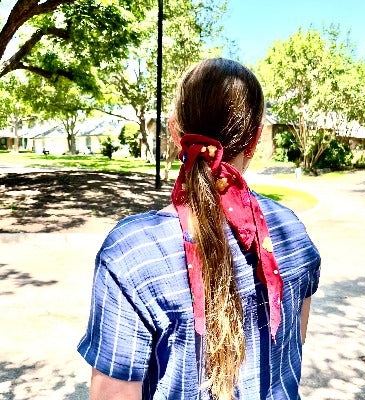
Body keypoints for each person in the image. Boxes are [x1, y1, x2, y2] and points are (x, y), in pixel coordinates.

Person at [77, 58, 321, 400]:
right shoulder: (290, 233)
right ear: (255, 140)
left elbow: (112, 395)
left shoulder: (132, 254)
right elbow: (294, 343)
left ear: (176, 133)